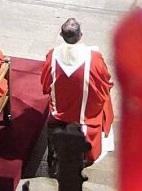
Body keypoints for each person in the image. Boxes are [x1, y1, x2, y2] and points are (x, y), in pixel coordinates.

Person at [41, 18, 114, 164]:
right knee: (105, 98)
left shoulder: (52, 55)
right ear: (81, 35)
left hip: (59, 112)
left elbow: (45, 85)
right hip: (85, 115)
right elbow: (105, 83)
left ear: (61, 35)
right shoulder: (94, 58)